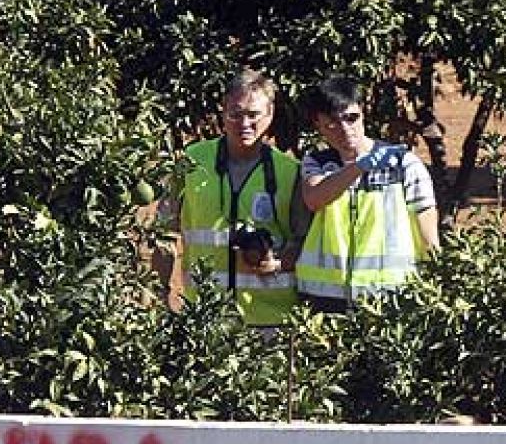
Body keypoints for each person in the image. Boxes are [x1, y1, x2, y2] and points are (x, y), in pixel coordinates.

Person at [175, 69, 308, 327]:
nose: (244, 124)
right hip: (205, 316)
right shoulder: (192, 161)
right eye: (235, 114)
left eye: (253, 115)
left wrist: (277, 263)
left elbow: (303, 241)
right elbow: (165, 233)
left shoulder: (289, 171)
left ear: (269, 114)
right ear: (223, 113)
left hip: (271, 320)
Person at [296, 76, 440, 310]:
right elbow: (314, 198)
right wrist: (359, 167)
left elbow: (427, 231)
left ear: (363, 114)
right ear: (318, 124)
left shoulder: (403, 163)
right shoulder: (317, 162)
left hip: (389, 294)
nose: (345, 129)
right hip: (324, 295)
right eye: (332, 122)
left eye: (352, 118)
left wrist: (436, 282)